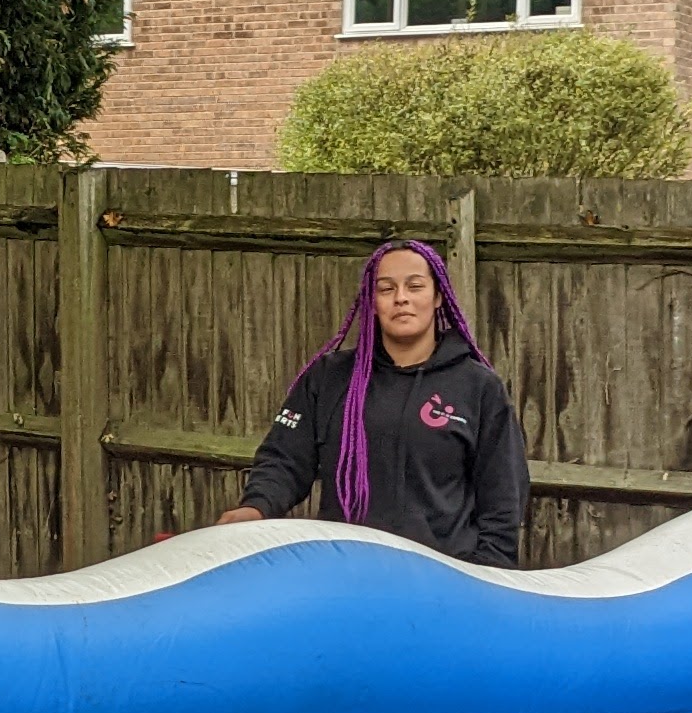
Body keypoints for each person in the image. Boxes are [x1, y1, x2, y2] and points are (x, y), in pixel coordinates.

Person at [219, 238, 528, 563]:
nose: (401, 298)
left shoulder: (477, 386)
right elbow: (284, 460)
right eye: (386, 289)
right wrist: (256, 507)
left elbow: (502, 494)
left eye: (415, 286)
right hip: (345, 572)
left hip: (441, 579)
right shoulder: (329, 378)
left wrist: (490, 573)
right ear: (372, 301)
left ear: (437, 297)